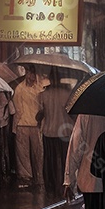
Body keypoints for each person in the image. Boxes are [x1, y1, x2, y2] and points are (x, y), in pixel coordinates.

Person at [39, 68, 73, 200]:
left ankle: (51, 186)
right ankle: (66, 184)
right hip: (65, 131)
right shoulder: (68, 93)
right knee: (66, 159)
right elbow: (71, 111)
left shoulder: (43, 94)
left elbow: (39, 114)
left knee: (50, 161)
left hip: (49, 131)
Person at [12, 67, 47, 189]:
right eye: (28, 74)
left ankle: (38, 176)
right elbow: (17, 108)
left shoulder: (40, 87)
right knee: (24, 154)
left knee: (37, 153)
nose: (30, 76)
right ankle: (26, 177)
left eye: (32, 74)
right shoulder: (20, 88)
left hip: (35, 125)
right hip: (23, 124)